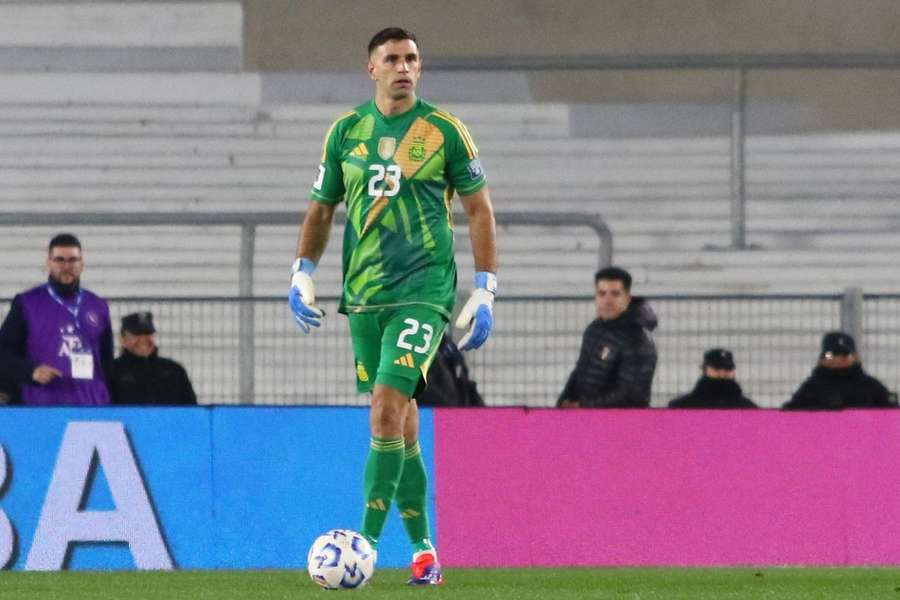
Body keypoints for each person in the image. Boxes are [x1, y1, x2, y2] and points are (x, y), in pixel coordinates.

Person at [287, 27, 497, 585]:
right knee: (399, 424)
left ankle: (363, 546)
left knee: (385, 404)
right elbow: (322, 209)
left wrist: (485, 287)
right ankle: (425, 550)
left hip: (424, 292)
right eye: (393, 59)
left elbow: (478, 210)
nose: (404, 67)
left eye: (412, 59)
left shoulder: (444, 131)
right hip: (364, 296)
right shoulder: (346, 132)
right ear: (371, 68)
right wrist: (302, 273)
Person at [0, 233, 113, 406]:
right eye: (59, 260)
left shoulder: (98, 305)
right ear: (49, 263)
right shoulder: (27, 303)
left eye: (73, 260)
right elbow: (4, 352)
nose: (66, 266)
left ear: (82, 263)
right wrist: (31, 371)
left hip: (92, 406)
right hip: (44, 406)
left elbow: (106, 362)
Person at [557, 266, 657, 408]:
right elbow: (580, 371)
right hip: (586, 418)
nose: (607, 301)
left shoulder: (638, 339)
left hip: (620, 424)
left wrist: (583, 406)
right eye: (602, 293)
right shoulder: (593, 330)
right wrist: (563, 400)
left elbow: (631, 396)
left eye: (615, 294)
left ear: (627, 299)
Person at [783, 331, 895, 410]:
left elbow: (891, 414)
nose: (838, 359)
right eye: (832, 355)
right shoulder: (812, 387)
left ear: (855, 356)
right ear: (822, 358)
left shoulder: (871, 386)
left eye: (844, 354)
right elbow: (792, 414)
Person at [108, 312, 197, 406]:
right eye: (136, 334)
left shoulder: (174, 370)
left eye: (147, 333)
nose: (143, 340)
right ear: (123, 340)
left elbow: (191, 408)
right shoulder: (112, 371)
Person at [668, 348, 757, 409]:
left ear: (733, 372)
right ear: (705, 370)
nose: (722, 373)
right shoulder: (682, 407)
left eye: (727, 368)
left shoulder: (747, 408)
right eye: (716, 368)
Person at [416, 334, 484, 408]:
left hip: (455, 408)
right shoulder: (422, 345)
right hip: (437, 410)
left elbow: (463, 377)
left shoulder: (446, 344)